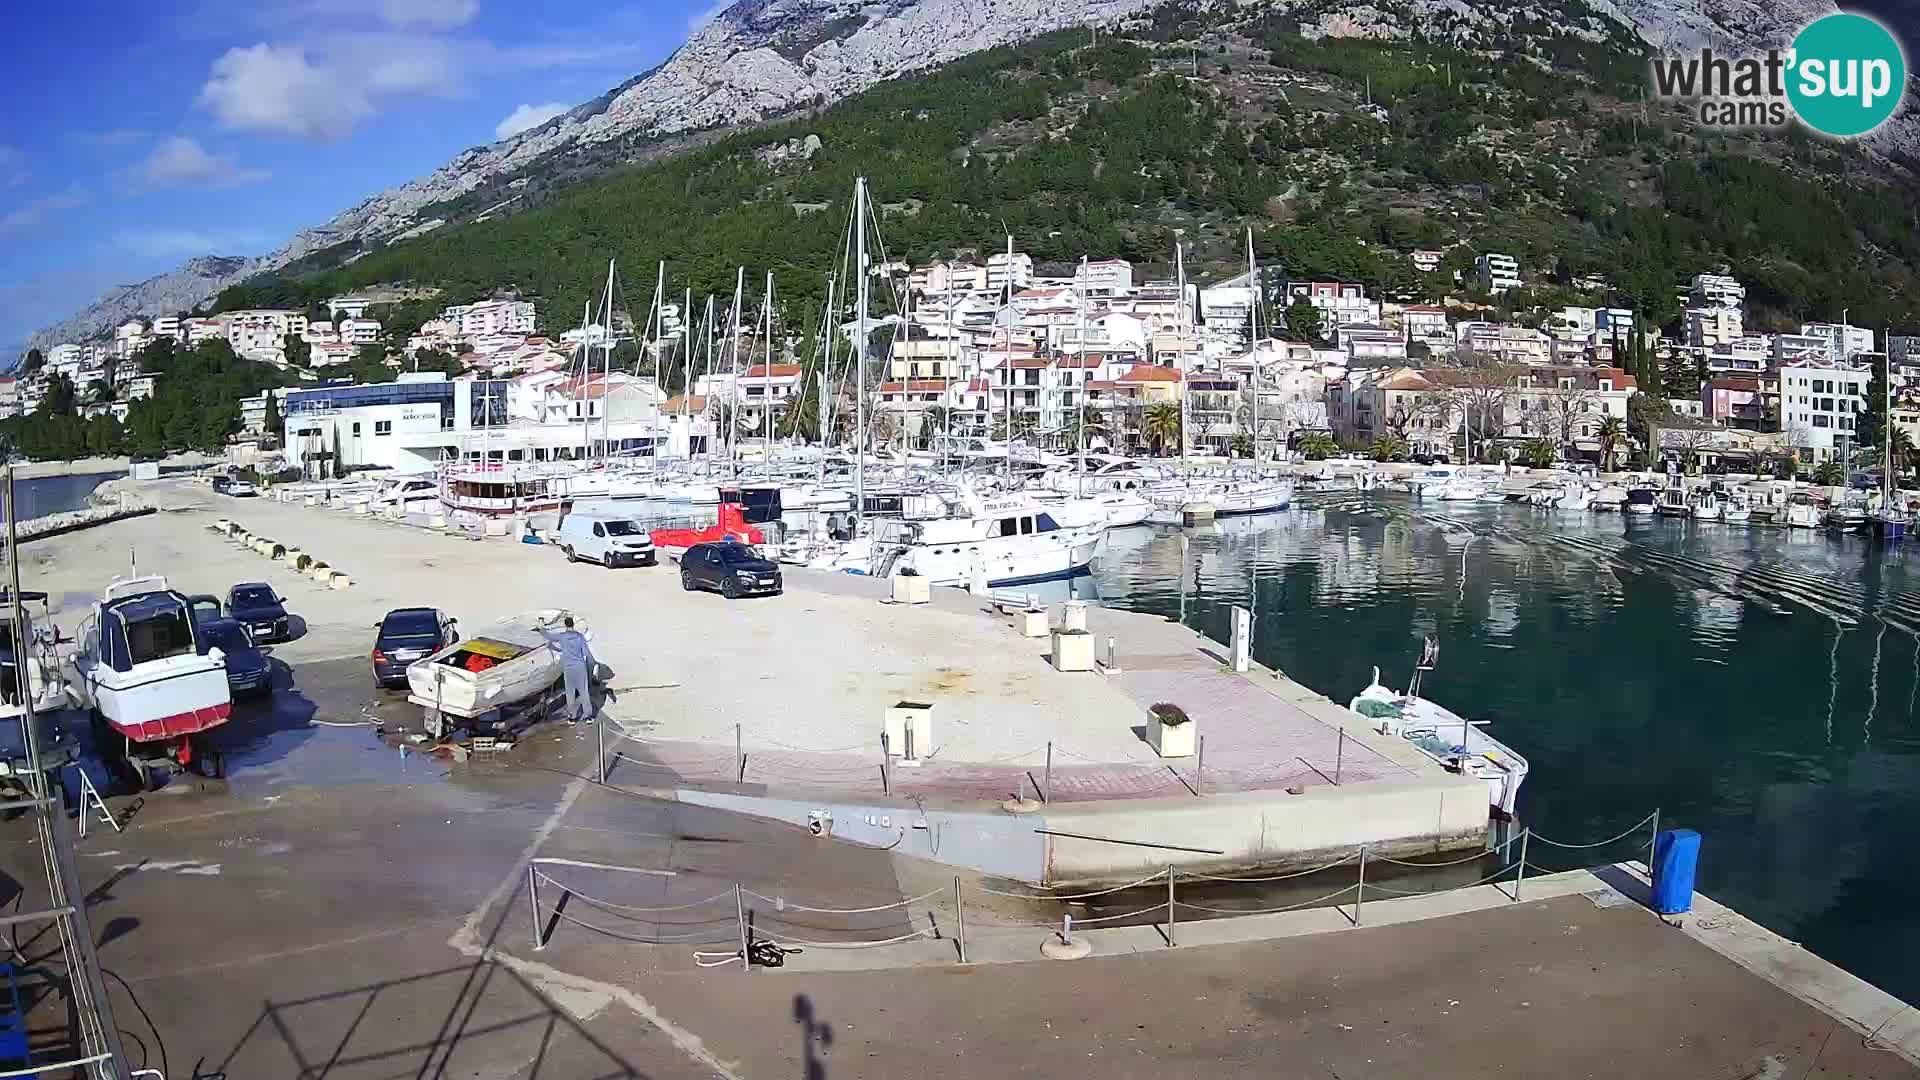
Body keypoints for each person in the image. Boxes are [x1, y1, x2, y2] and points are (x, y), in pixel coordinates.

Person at [537, 614, 596, 724]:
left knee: (570, 693)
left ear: (565, 625)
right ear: (573, 625)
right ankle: (588, 716)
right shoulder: (579, 637)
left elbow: (548, 636)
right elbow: (586, 653)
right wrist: (592, 665)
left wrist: (541, 628)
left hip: (568, 668)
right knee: (584, 692)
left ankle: (572, 717)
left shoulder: (562, 637)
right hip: (580, 667)